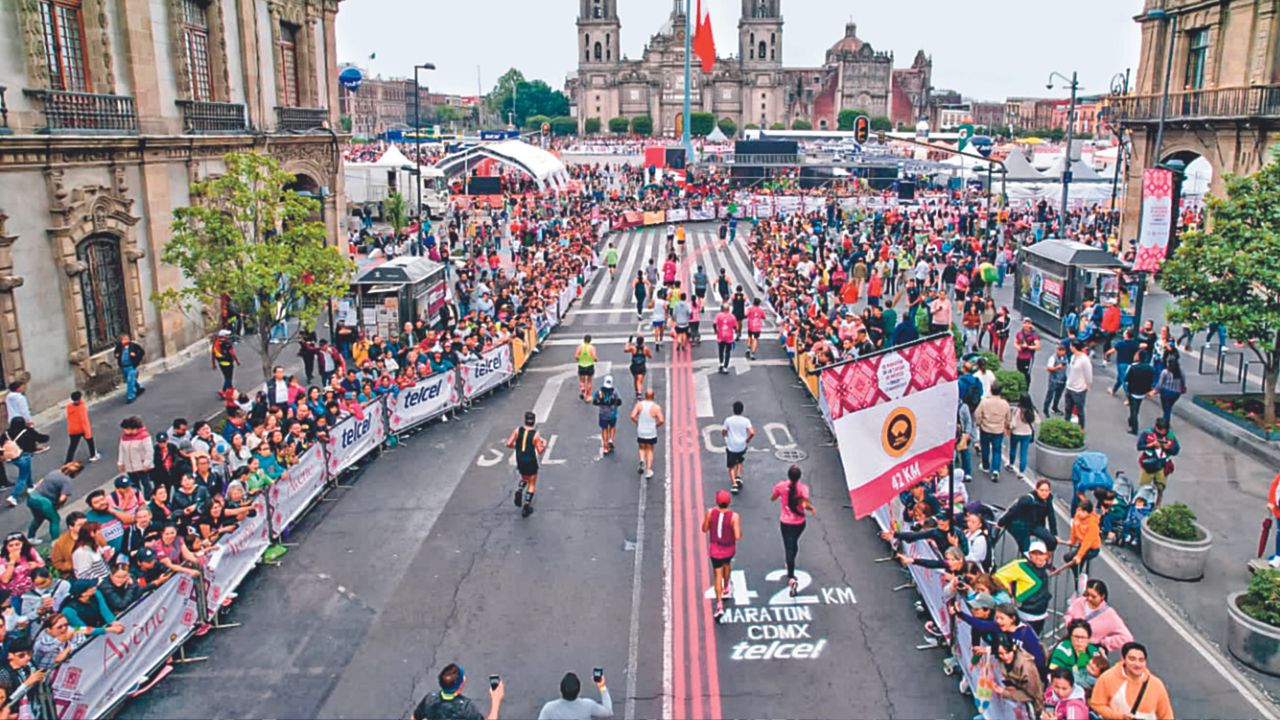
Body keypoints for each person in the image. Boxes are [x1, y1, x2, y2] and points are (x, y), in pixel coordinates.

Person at [1089, 642, 1174, 720]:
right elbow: (1097, 704)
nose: (1137, 664)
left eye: (1141, 660)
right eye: (1132, 659)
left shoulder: (1156, 685)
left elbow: (1166, 716)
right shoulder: (1107, 678)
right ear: (1123, 659)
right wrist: (1120, 716)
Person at [771, 465, 815, 597]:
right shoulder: (803, 489)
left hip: (786, 522)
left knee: (788, 547)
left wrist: (779, 497)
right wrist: (810, 508)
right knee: (793, 543)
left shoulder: (781, 486)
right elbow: (804, 504)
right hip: (800, 523)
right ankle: (790, 562)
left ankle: (791, 577)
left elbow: (773, 497)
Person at [413, 662, 504, 720]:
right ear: (460, 686)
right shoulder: (465, 707)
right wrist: (496, 699)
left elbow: (414, 718)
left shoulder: (430, 699)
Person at [1063, 579, 1134, 654]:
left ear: (1102, 597)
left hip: (1089, 651)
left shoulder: (1110, 615)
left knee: (1081, 665)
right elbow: (1069, 614)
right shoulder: (1080, 602)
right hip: (1070, 643)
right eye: (1088, 594)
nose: (1089, 599)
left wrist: (1105, 642)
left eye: (1093, 597)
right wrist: (1069, 623)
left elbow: (1127, 638)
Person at [703, 489, 741, 621]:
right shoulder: (734, 516)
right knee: (727, 565)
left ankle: (719, 604)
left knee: (717, 574)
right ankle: (726, 587)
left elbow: (704, 529)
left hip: (715, 549)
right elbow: (737, 536)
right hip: (728, 548)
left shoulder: (710, 512)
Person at [1049, 619, 1107, 694]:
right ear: (1070, 637)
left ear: (1088, 638)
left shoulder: (1094, 651)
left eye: (1083, 637)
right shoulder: (1064, 648)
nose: (1079, 641)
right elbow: (1054, 670)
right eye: (1076, 637)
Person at [505, 412, 546, 518]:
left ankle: (519, 489)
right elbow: (540, 450)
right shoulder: (535, 435)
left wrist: (516, 447)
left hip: (520, 459)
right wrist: (544, 443)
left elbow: (508, 443)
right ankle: (526, 505)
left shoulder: (518, 430)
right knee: (532, 483)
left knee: (524, 477)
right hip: (530, 460)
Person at [992, 634, 1045, 717]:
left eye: (1007, 652)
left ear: (1014, 648)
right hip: (1018, 702)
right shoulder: (1002, 661)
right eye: (1001, 654)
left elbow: (1033, 696)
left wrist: (1005, 692)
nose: (1005, 657)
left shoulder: (1026, 668)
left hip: (1032, 708)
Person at [26, 463, 77, 543]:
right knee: (55, 519)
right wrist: (58, 504)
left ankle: (30, 537)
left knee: (38, 518)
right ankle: (55, 541)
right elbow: (62, 498)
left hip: (32, 497)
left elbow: (41, 481)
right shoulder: (67, 481)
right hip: (43, 502)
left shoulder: (54, 472)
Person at [4, 418, 47, 507]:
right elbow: (40, 439)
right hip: (24, 456)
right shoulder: (26, 432)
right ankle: (13, 496)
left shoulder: (6, 433)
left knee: (26, 471)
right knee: (22, 478)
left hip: (12, 458)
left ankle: (30, 486)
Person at [1137, 418, 1180, 506]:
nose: (1162, 432)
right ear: (1156, 428)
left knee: (1160, 488)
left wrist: (1168, 448)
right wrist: (1151, 445)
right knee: (1143, 488)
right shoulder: (1147, 433)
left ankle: (1156, 507)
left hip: (1163, 465)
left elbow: (1176, 450)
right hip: (1148, 464)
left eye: (1164, 431)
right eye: (1160, 430)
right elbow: (1140, 446)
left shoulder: (1170, 436)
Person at [538, 671, 613, 720]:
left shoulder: (549, 708)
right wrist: (602, 686)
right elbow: (608, 712)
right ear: (579, 690)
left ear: (560, 689)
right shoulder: (588, 705)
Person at [975, 383, 1010, 481]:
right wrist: (1006, 427)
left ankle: (986, 466)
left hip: (985, 428)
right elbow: (1008, 418)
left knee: (985, 448)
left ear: (990, 390)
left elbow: (978, 414)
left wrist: (979, 423)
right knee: (997, 450)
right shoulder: (1005, 404)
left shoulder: (984, 402)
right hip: (998, 430)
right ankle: (995, 469)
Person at [629, 390, 664, 480]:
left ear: (645, 396)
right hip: (651, 432)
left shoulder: (639, 405)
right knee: (650, 450)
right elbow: (661, 420)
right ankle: (648, 470)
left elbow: (632, 416)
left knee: (641, 448)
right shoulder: (656, 407)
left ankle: (641, 460)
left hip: (641, 431)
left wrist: (638, 422)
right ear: (653, 396)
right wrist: (656, 425)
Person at [721, 401, 755, 494]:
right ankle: (738, 476)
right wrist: (747, 440)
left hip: (731, 446)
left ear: (733, 410)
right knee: (740, 461)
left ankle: (734, 484)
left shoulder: (728, 420)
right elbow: (752, 432)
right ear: (742, 410)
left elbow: (724, 431)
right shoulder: (746, 421)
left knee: (731, 466)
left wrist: (725, 436)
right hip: (742, 446)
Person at [1006, 394, 1037, 481]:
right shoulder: (1032, 411)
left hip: (1016, 433)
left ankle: (1011, 465)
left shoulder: (1018, 411)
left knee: (1013, 449)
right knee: (1023, 453)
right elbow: (1035, 422)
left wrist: (1009, 427)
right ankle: (1021, 472)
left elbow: (1013, 424)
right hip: (1027, 434)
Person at [1063, 341, 1093, 430]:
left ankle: (1081, 428)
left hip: (1079, 388)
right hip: (1070, 386)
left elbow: (1088, 374)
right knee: (1068, 408)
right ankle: (1065, 425)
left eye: (1071, 346)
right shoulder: (1073, 357)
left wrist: (1087, 384)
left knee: (1080, 410)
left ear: (1074, 347)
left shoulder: (1085, 360)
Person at [64, 391, 100, 463]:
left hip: (73, 429)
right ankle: (93, 455)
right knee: (90, 442)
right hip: (82, 429)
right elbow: (84, 421)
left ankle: (68, 461)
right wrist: (88, 433)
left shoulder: (69, 407)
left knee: (72, 446)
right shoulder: (81, 408)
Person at [592, 377, 622, 455]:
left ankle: (605, 446)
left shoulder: (599, 391)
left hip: (603, 414)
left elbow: (595, 401)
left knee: (604, 429)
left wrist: (601, 403)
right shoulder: (614, 391)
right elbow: (619, 401)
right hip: (612, 413)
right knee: (612, 427)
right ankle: (611, 439)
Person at [113, 332, 146, 403]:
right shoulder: (119, 347)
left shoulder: (133, 346)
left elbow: (142, 352)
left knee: (129, 380)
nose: (126, 341)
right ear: (121, 341)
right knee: (130, 379)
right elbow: (116, 353)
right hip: (123, 367)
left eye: (127, 339)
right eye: (124, 340)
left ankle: (130, 396)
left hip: (131, 366)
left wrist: (135, 355)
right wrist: (116, 355)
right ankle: (139, 387)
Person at [1155, 355, 1186, 425]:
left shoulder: (1165, 372)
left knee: (1166, 408)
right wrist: (1182, 389)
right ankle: (1166, 420)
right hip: (1176, 393)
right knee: (1168, 407)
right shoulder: (1180, 372)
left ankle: (1166, 423)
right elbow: (1183, 382)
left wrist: (1155, 390)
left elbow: (1160, 384)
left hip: (1166, 392)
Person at [1013, 319, 1041, 387]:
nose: (1026, 325)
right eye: (1025, 323)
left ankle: (1026, 388)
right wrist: (1018, 347)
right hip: (1020, 356)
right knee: (1019, 372)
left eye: (1028, 323)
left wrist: (1028, 347)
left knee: (1026, 374)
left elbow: (1038, 346)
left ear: (1030, 325)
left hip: (1028, 357)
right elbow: (1015, 342)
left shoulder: (1033, 335)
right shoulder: (1019, 334)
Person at [1043, 344, 1068, 416]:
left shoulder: (1065, 358)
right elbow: (1048, 368)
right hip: (1054, 380)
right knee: (1050, 395)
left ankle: (1055, 407)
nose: (1062, 353)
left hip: (1062, 379)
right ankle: (1046, 409)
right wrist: (1057, 367)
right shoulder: (1053, 358)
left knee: (1058, 395)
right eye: (1061, 351)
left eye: (1063, 351)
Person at [714, 304, 738, 374]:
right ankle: (725, 367)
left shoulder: (718, 315)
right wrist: (736, 331)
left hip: (720, 336)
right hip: (729, 337)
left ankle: (721, 363)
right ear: (728, 309)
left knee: (720, 351)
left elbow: (714, 324)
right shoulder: (732, 316)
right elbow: (735, 327)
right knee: (727, 352)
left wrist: (716, 330)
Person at [575, 335, 598, 401]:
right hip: (589, 366)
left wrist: (580, 359)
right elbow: (594, 357)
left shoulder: (580, 347)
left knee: (582, 380)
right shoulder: (591, 348)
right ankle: (588, 396)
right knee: (589, 381)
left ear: (584, 340)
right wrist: (595, 360)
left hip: (581, 365)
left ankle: (582, 388)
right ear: (590, 340)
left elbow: (576, 356)